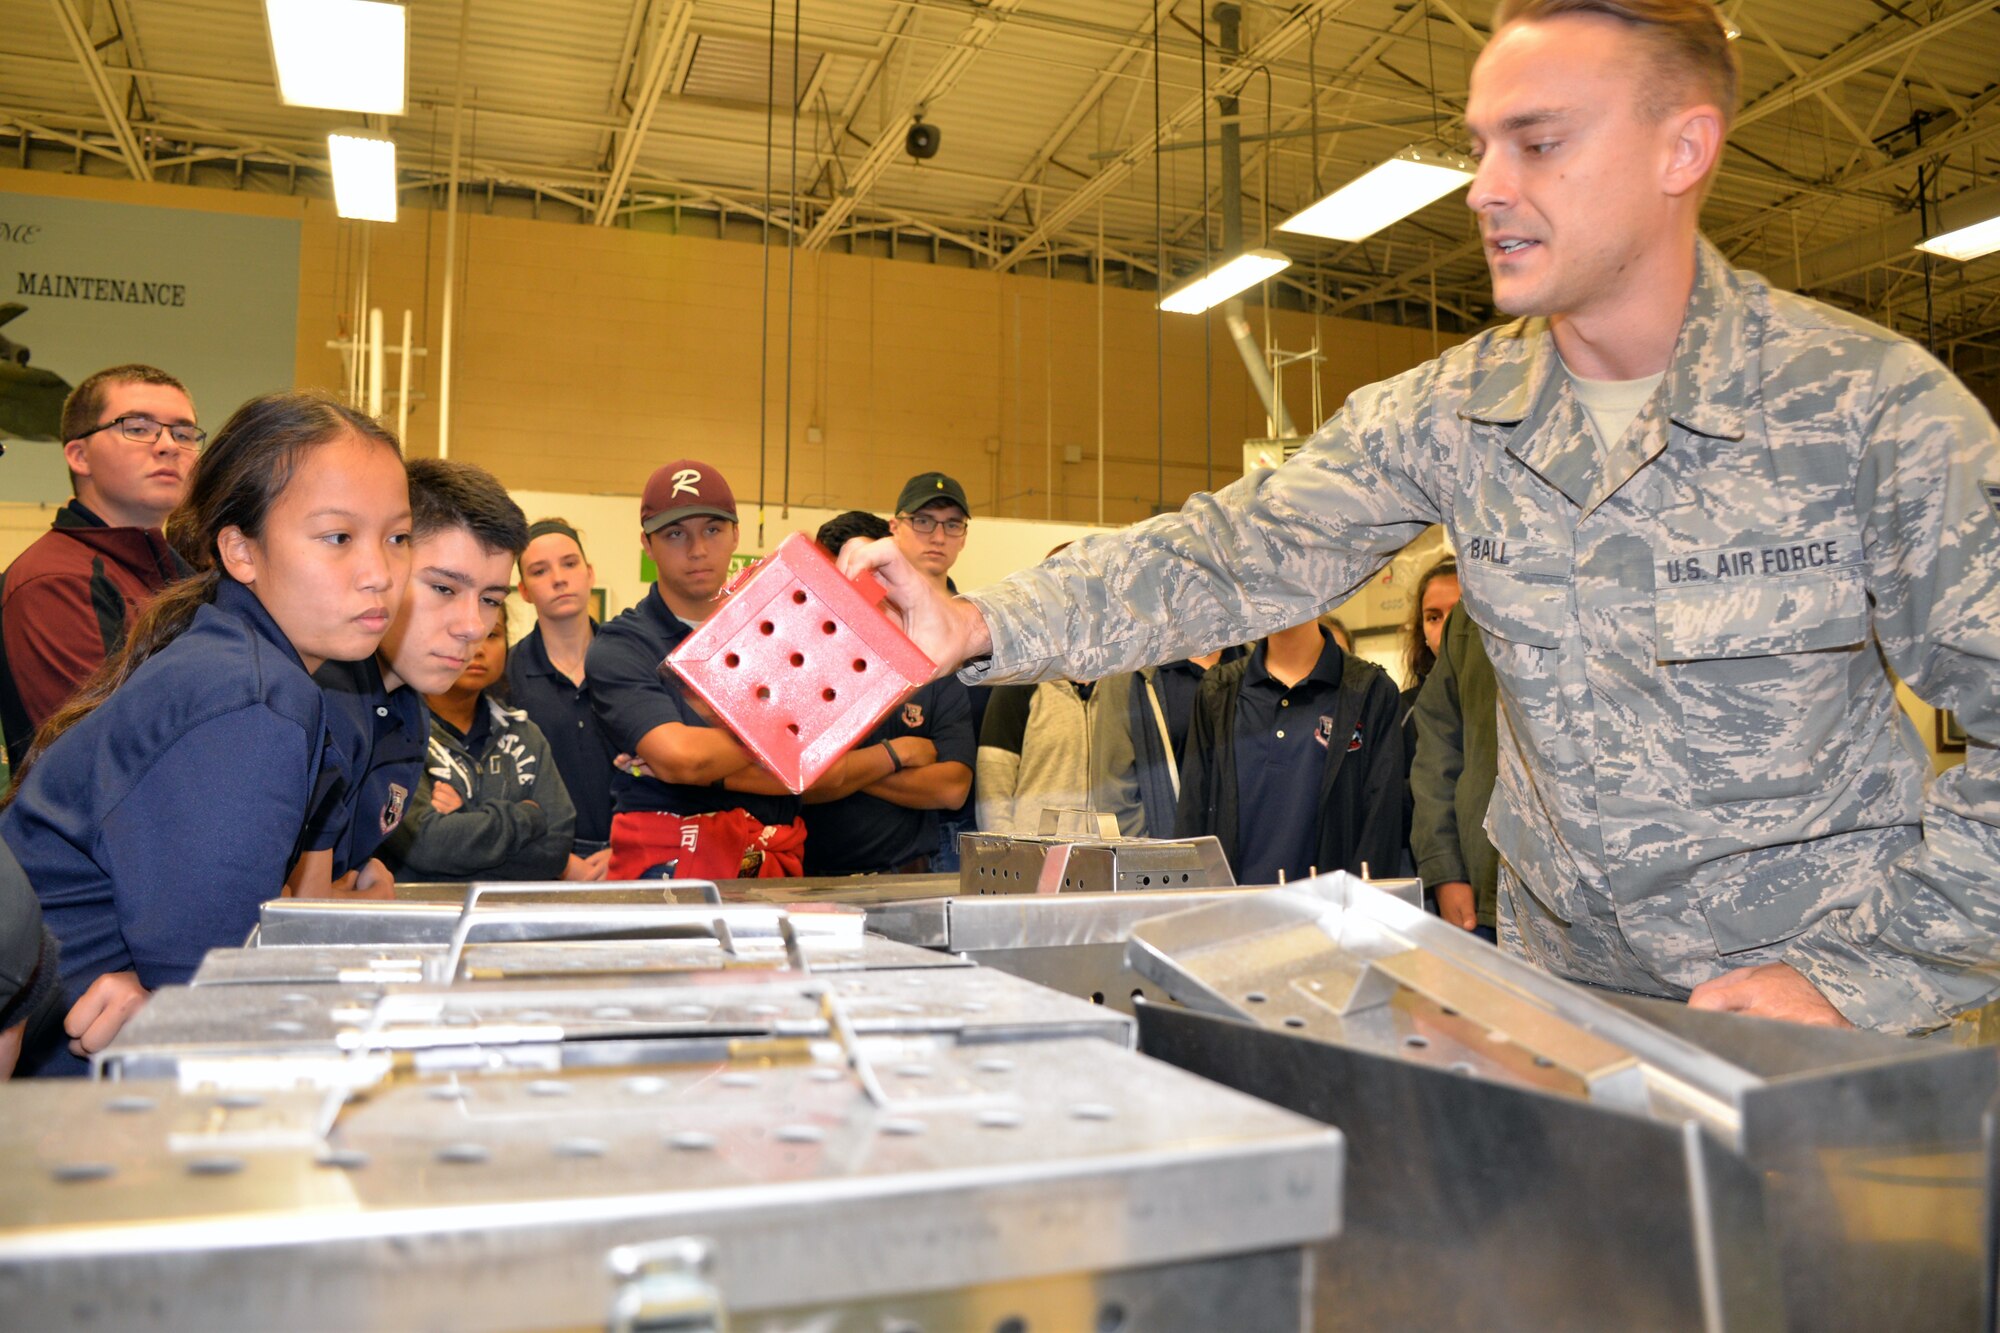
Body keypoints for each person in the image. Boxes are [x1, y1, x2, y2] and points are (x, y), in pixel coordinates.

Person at [844, 0, 2000, 1034]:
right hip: (1574, 1015)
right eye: (1479, 146)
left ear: (1679, 147)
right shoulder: (1453, 415)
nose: (1485, 187)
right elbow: (1233, 549)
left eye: (1538, 142)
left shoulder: (1864, 410)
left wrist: (1868, 971)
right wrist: (979, 620)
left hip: (1816, 1031)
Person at [0, 392, 409, 1072]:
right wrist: (187, 996)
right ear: (241, 551)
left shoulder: (236, 656)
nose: (380, 573)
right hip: (60, 1069)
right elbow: (207, 991)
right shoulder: (252, 699)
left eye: (396, 536)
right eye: (338, 537)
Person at [587, 461, 927, 880]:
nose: (696, 549)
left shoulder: (786, 629)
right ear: (647, 543)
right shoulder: (622, 645)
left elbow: (826, 775)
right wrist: (791, 732)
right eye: (675, 534)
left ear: (735, 534)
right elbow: (683, 759)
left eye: (712, 529)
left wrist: (712, 770)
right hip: (665, 872)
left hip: (776, 866)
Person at [291, 458, 534, 896]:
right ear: (386, 564)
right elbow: (304, 914)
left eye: (491, 599)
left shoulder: (410, 714)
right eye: (443, 588)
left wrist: (368, 873)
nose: (474, 627)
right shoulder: (315, 702)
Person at [0, 365, 198, 766]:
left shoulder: (184, 577)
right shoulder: (53, 582)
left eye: (183, 433)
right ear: (78, 455)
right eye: (138, 428)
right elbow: (98, 760)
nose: (168, 446)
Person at [803, 512, 973, 875]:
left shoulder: (932, 664)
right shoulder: (805, 665)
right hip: (814, 880)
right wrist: (897, 754)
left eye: (867, 576)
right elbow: (800, 784)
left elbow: (952, 788)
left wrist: (847, 774)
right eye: (837, 581)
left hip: (907, 880)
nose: (850, 595)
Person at [1177, 616, 1404, 884]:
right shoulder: (1218, 692)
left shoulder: (1371, 693)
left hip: (1330, 914)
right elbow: (1193, 814)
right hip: (1235, 912)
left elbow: (1381, 827)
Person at [377, 619, 577, 881]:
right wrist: (528, 816)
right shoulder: (394, 732)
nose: (479, 649)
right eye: (460, 634)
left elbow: (555, 851)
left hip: (510, 915)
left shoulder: (526, 734)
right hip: (427, 915)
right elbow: (425, 846)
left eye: (492, 635)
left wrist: (463, 821)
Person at [508, 518, 616, 873]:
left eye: (569, 564)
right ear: (524, 591)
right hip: (546, 861)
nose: (558, 578)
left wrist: (631, 845)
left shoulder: (629, 667)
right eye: (540, 571)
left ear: (589, 573)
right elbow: (502, 787)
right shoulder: (506, 677)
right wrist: (556, 859)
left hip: (631, 852)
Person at [889, 471, 986, 869]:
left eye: (952, 524)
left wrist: (851, 778)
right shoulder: (870, 625)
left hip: (963, 828)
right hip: (877, 834)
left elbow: (957, 783)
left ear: (964, 536)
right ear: (895, 527)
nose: (938, 535)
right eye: (923, 521)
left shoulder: (983, 628)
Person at [1411, 604, 1501, 940]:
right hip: (1487, 891)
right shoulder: (1474, 610)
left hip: (1640, 897)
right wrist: (1445, 869)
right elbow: (1438, 748)